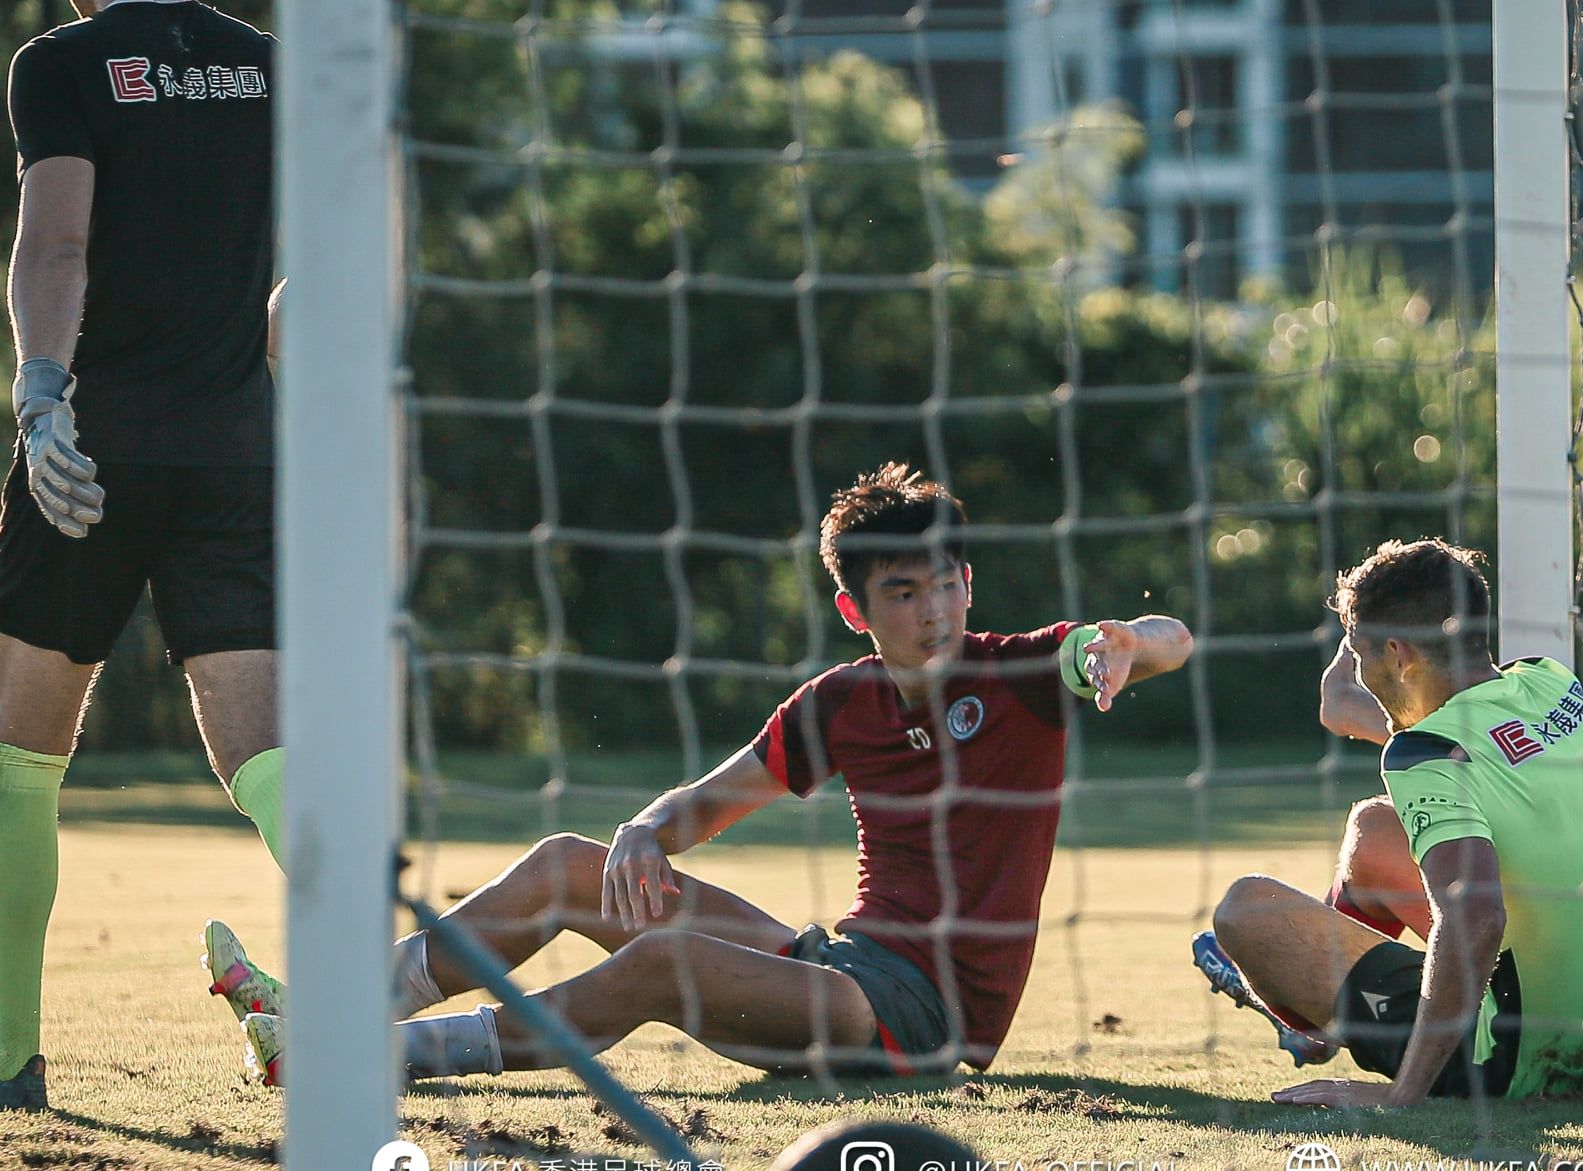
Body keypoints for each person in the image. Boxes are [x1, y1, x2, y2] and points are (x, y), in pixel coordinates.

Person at [218, 462, 1194, 1084]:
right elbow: (707, 804)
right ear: (858, 611)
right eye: (903, 592)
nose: (932, 609)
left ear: (969, 582)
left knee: (660, 965)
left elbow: (1168, 637)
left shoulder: (1024, 672)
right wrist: (645, 828)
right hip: (835, 962)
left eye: (946, 582)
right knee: (571, 860)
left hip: (927, 1017)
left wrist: (1122, 644)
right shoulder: (838, 704)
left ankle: (359, 1064)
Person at [1, 0, 281, 1112]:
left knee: (16, 763)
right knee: (270, 759)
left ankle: (10, 1063)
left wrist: (42, 398)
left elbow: (57, 243)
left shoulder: (57, 64)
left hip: (96, 451)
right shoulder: (267, 62)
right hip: (235, 450)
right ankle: (366, 990)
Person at [1197, 537, 1583, 1104]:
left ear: (1399, 655)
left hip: (1529, 1062)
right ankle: (1315, 1025)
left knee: (1245, 910)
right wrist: (1364, 629)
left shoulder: (1424, 756)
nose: (1362, 676)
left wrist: (1401, 1098)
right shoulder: (1550, 683)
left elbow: (1478, 919)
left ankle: (1337, 1028)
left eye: (1364, 658)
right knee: (1376, 830)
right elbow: (1348, 704)